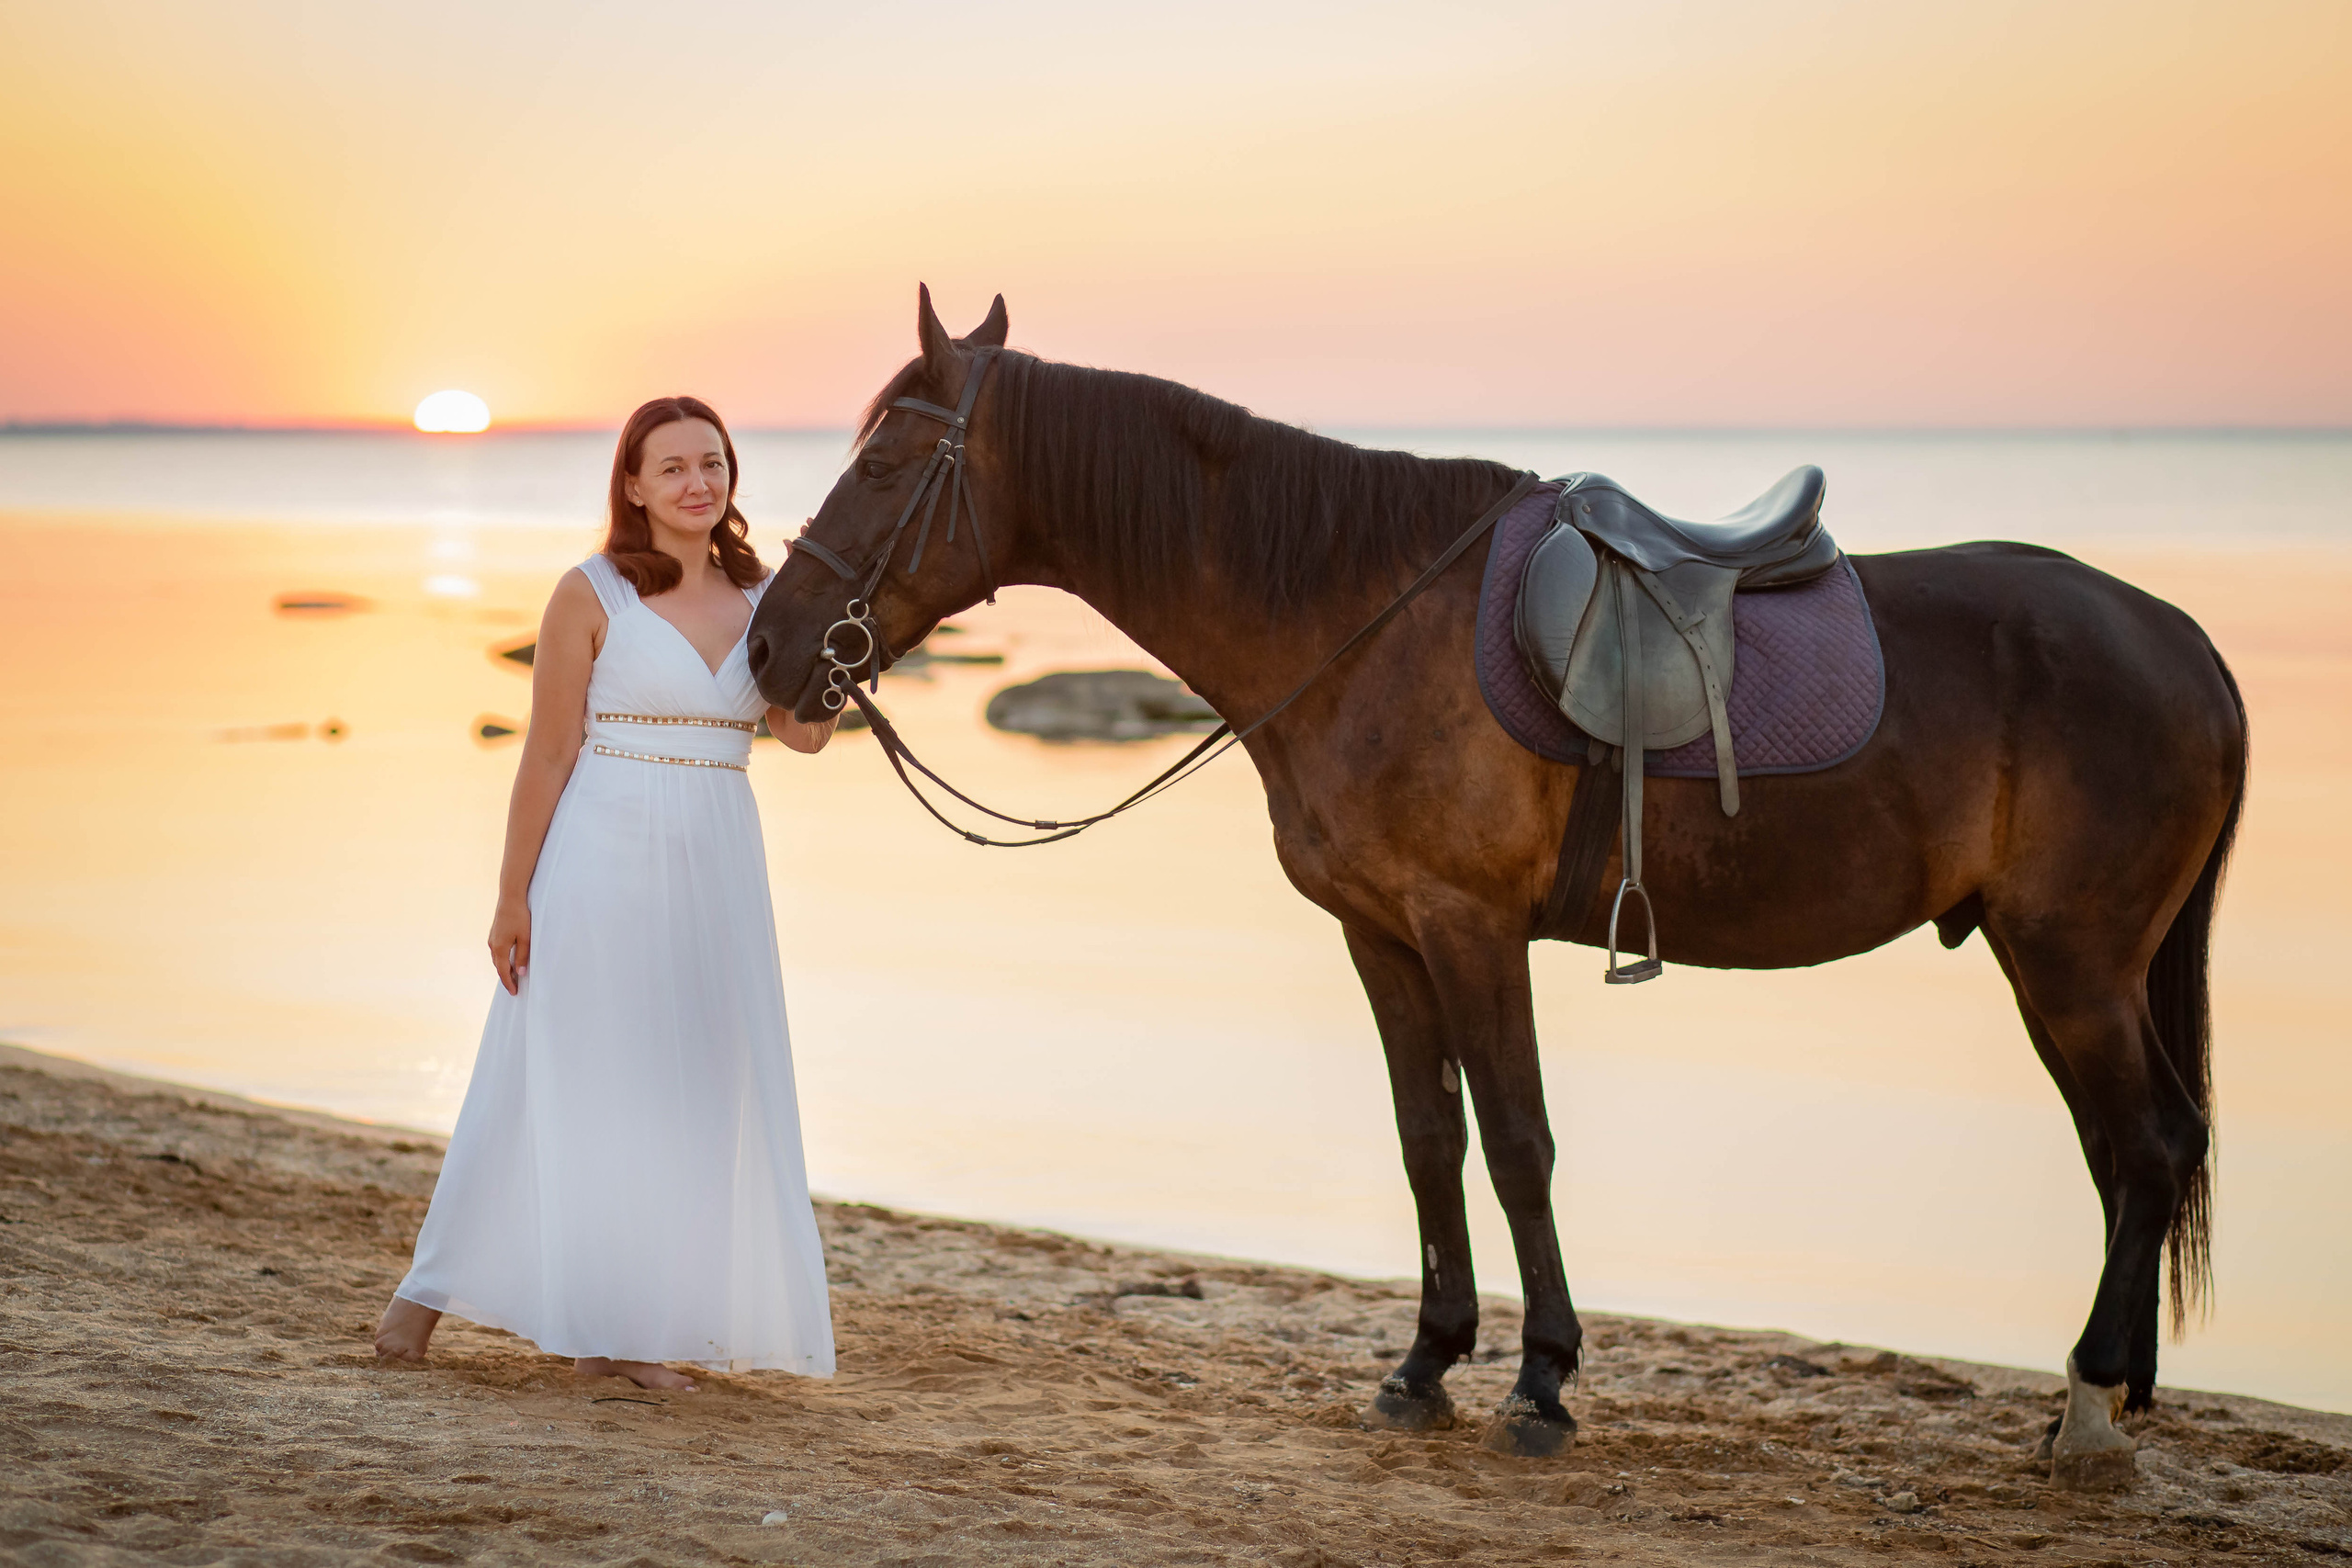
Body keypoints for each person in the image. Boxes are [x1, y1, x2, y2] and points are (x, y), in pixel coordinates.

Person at [374, 397, 836, 1392]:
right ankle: (439, 1306)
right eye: (672, 467)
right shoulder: (590, 592)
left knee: (692, 1088)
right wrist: (511, 898)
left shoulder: (765, 595)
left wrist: (845, 648)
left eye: (712, 462)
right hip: (601, 854)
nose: (697, 483)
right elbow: (546, 754)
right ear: (632, 484)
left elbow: (801, 734)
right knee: (572, 1079)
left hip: (718, 858)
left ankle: (614, 1332)